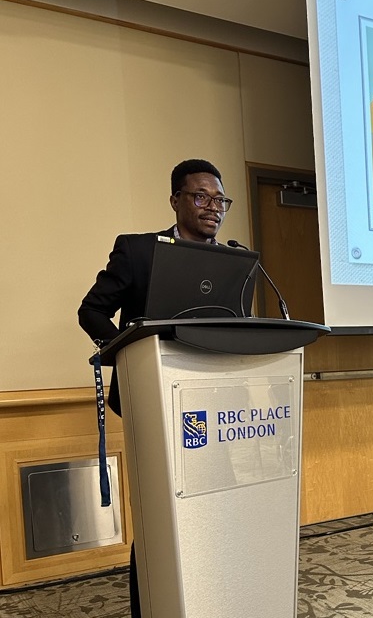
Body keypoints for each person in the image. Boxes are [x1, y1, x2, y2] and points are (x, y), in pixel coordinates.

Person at [78, 158, 232, 618]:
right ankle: (152, 606)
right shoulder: (138, 250)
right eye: (201, 197)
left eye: (220, 200)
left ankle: (208, 597)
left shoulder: (231, 259)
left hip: (211, 403)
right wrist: (127, 350)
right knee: (159, 513)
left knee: (211, 507)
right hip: (154, 399)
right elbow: (91, 311)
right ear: (175, 201)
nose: (213, 208)